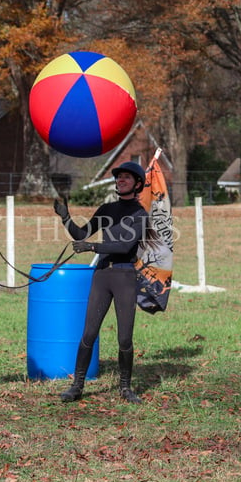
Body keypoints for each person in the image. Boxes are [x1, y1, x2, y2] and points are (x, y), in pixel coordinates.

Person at [53, 161, 150, 404]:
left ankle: (126, 388)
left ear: (137, 184)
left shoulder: (140, 214)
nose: (121, 180)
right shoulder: (107, 209)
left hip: (125, 276)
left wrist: (92, 247)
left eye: (126, 177)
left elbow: (125, 246)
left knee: (125, 339)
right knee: (89, 332)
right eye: (119, 177)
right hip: (102, 275)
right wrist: (65, 217)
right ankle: (77, 386)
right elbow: (81, 234)